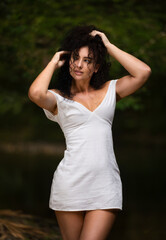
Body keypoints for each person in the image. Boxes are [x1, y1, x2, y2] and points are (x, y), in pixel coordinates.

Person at [28, 25, 151, 240]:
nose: (79, 64)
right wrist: (53, 62)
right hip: (70, 183)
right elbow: (36, 94)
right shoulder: (58, 99)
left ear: (96, 67)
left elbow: (143, 72)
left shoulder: (110, 90)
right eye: (75, 58)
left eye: (88, 60)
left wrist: (108, 46)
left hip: (105, 184)